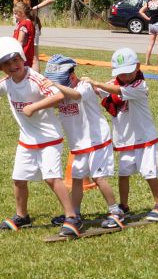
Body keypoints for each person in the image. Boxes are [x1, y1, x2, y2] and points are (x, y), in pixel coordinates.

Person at [0, 37, 81, 237]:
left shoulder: (35, 79)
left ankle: (72, 216)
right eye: (7, 63)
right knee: (19, 180)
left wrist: (34, 107)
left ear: (22, 58)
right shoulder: (7, 82)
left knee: (51, 178)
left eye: (16, 60)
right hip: (27, 140)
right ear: (1, 68)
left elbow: (58, 96)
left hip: (49, 138)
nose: (13, 66)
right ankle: (22, 216)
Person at [82, 47, 158, 221]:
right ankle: (124, 205)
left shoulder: (140, 85)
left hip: (145, 139)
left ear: (137, 67)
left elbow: (116, 91)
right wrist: (83, 84)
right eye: (121, 74)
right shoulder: (114, 83)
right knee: (123, 174)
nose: (126, 77)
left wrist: (96, 83)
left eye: (129, 72)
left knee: (150, 173)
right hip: (126, 140)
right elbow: (98, 91)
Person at [42, 54, 125, 228]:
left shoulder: (84, 86)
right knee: (77, 178)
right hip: (79, 144)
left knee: (98, 177)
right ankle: (74, 213)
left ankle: (116, 211)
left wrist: (56, 85)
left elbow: (77, 95)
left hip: (97, 140)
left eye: (59, 81)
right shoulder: (62, 91)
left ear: (71, 77)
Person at [11, 0, 55, 72]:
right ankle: (23, 77)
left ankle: (36, 79)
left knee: (34, 56)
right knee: (20, 52)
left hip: (32, 25)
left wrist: (36, 7)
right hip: (21, 25)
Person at [12, 2, 36, 69]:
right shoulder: (27, 23)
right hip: (27, 55)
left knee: (20, 72)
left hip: (22, 55)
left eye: (15, 14)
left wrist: (14, 53)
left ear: (22, 13)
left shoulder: (24, 24)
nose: (14, 16)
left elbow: (20, 42)